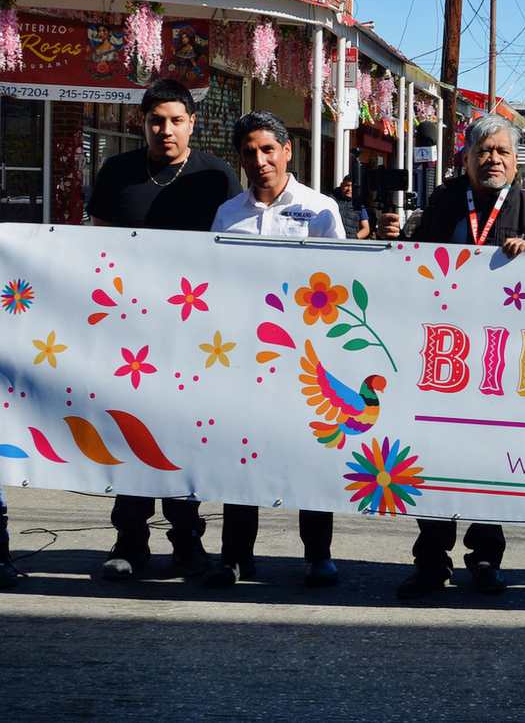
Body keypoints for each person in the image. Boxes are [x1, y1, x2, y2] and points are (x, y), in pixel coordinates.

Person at [375, 115, 525, 600]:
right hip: (442, 354)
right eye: (484, 152)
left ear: (516, 161)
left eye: (502, 152)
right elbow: (416, 261)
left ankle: (485, 558)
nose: (492, 160)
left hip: (504, 359)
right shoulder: (445, 201)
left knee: (490, 462)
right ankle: (431, 561)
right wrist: (395, 239)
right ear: (468, 158)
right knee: (432, 457)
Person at [88, 78, 241, 582]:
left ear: (192, 123)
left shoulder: (216, 176)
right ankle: (130, 542)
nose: (166, 130)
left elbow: (235, 253)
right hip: (126, 331)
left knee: (179, 438)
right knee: (129, 431)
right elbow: (91, 247)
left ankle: (188, 545)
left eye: (176, 120)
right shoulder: (117, 172)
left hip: (192, 334)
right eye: (157, 121)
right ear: (143, 124)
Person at [207, 111, 345, 589]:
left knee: (310, 452)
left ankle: (318, 554)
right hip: (244, 353)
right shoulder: (228, 214)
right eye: (250, 151)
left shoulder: (321, 209)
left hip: (305, 356)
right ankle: (235, 555)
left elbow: (342, 283)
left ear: (288, 150)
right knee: (240, 453)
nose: (260, 160)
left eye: (269, 149)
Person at [334, 174, 371, 239]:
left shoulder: (359, 204)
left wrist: (354, 238)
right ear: (341, 185)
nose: (349, 189)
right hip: (332, 241)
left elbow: (366, 229)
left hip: (350, 243)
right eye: (347, 185)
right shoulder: (332, 201)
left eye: (352, 186)